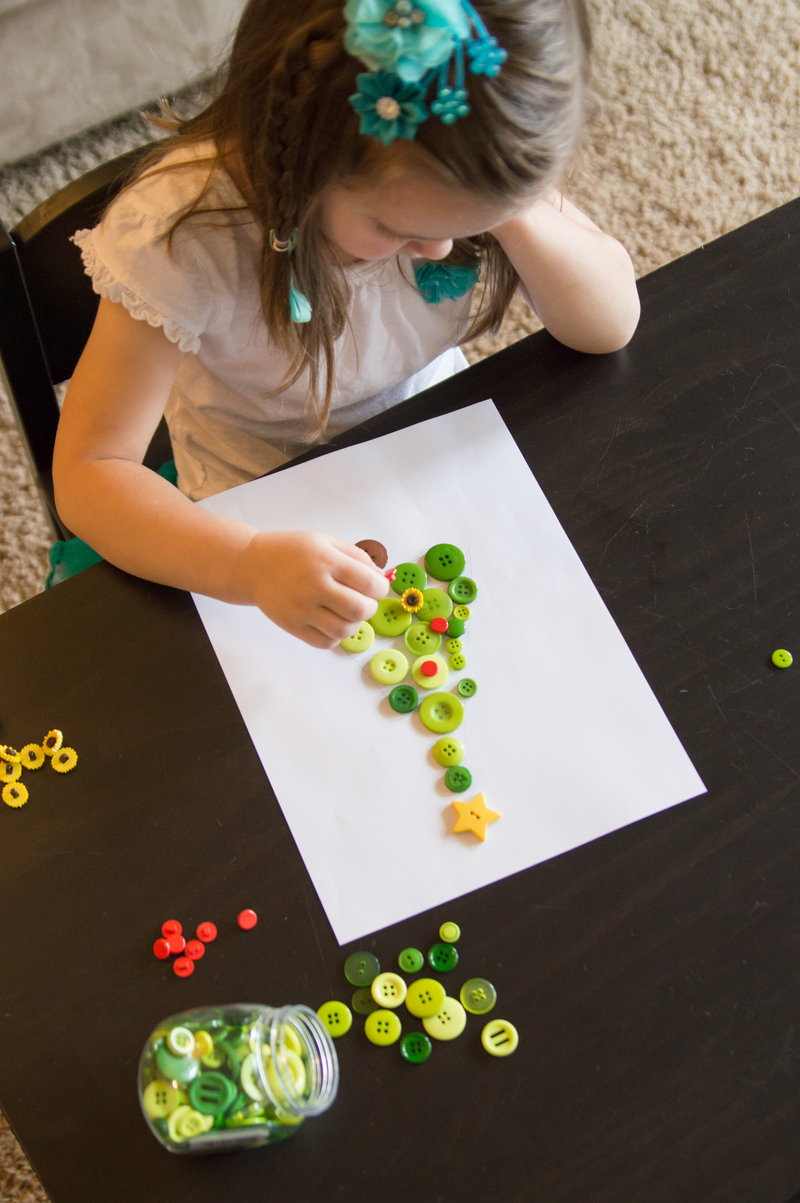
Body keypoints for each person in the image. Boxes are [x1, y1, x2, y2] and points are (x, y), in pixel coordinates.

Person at [53, 0, 640, 649]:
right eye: (396, 227)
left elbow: (608, 325)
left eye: (466, 225)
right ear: (301, 162)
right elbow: (89, 471)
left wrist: (503, 207)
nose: (441, 249)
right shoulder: (179, 238)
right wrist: (246, 564)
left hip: (436, 440)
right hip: (257, 497)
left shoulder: (462, 157)